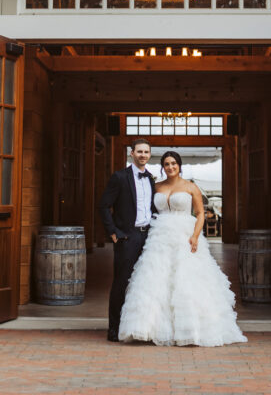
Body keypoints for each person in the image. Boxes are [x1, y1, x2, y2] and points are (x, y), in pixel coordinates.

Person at [117, 150, 247, 346]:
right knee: (155, 279)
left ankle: (191, 329)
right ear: (162, 167)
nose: (170, 167)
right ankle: (149, 328)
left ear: (179, 165)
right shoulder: (156, 186)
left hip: (184, 236)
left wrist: (195, 235)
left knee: (186, 280)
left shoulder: (191, 187)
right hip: (159, 237)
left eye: (173, 164)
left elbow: (201, 213)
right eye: (166, 164)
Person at [99, 138, 156, 342]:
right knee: (122, 282)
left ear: (150, 155)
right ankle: (114, 329)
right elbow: (104, 206)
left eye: (146, 152)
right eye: (139, 152)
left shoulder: (151, 178)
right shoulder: (120, 177)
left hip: (149, 237)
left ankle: (140, 327)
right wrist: (113, 232)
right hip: (127, 236)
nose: (143, 155)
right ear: (132, 153)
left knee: (145, 282)